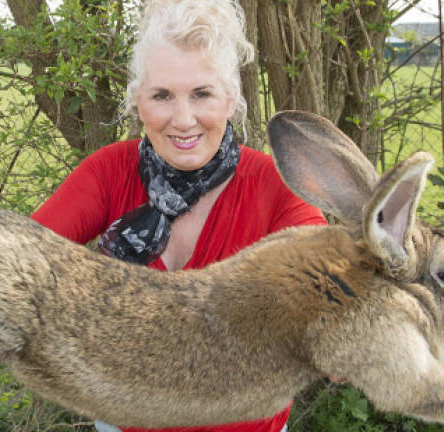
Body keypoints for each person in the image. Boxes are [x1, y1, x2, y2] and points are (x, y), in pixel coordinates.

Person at [30, 1, 327, 431]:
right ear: (138, 101)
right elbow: (18, 257)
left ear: (232, 97)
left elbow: (331, 282)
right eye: (162, 96)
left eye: (202, 94)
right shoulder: (109, 171)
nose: (183, 120)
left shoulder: (273, 186)